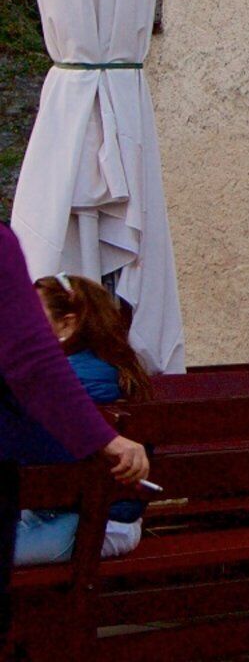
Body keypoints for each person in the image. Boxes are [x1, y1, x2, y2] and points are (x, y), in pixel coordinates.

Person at [0, 232, 150, 571]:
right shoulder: (102, 369)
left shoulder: (76, 379)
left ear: (68, 324)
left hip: (89, 520)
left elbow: (37, 396)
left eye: (29, 316)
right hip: (72, 512)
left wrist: (103, 439)